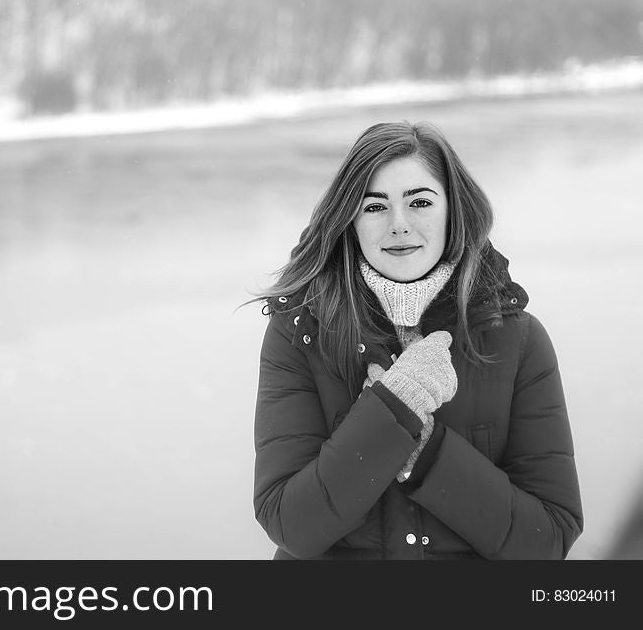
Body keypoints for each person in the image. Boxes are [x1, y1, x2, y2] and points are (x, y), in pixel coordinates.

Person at [246, 121, 583, 560]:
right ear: (349, 219)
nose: (399, 225)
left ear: (453, 211)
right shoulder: (301, 334)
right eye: (374, 207)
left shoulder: (517, 341)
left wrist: (426, 454)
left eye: (419, 202)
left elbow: (549, 539)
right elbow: (290, 523)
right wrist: (394, 411)